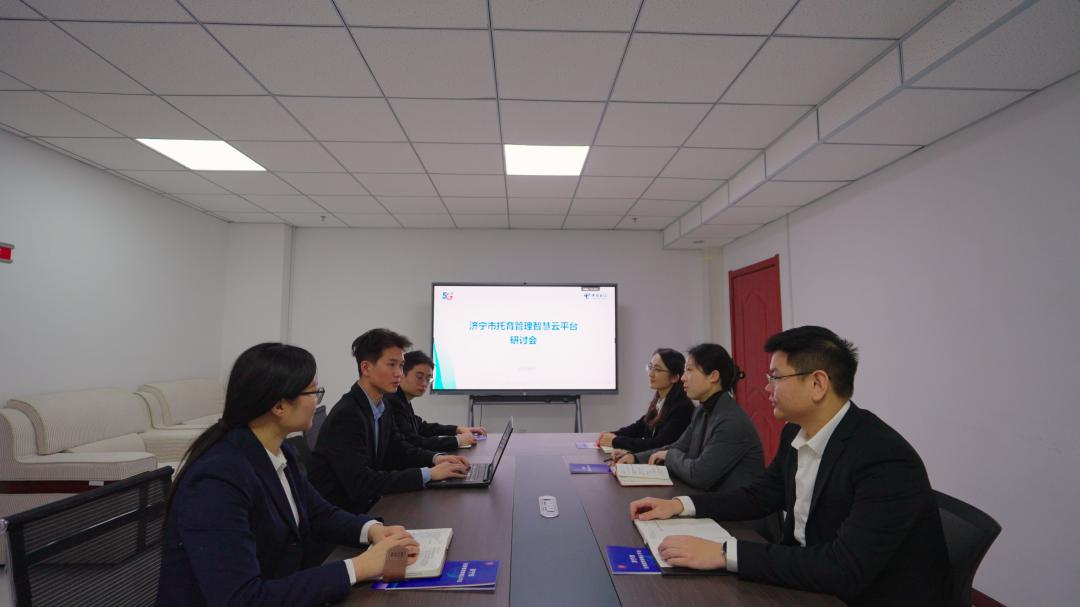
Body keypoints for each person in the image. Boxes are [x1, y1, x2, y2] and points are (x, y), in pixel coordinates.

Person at [628, 326, 950, 606]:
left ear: (818, 384)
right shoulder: (795, 432)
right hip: (808, 582)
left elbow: (844, 568)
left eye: (776, 377)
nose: (767, 388)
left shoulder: (884, 458)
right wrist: (680, 505)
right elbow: (759, 496)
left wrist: (724, 553)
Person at [158, 343, 420, 607]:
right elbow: (243, 599)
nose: (317, 401)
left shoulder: (278, 450)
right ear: (280, 406)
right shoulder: (216, 480)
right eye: (313, 391)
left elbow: (318, 512)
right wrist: (359, 567)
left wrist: (373, 530)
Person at [308, 329, 469, 514]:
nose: (398, 373)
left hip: (370, 505)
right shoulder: (347, 415)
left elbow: (398, 450)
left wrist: (437, 458)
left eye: (401, 366)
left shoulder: (382, 405)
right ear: (366, 368)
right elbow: (361, 483)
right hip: (344, 515)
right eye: (392, 365)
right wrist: (428, 474)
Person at [612, 343, 763, 493]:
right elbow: (679, 446)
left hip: (732, 507)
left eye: (689, 370)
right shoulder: (701, 411)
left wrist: (670, 456)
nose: (683, 378)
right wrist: (635, 458)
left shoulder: (731, 421)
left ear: (713, 376)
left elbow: (700, 475)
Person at [387, 350, 486, 451]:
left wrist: (457, 429)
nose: (424, 383)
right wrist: (457, 440)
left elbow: (421, 427)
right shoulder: (393, 401)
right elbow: (414, 442)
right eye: (419, 377)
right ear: (401, 374)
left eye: (428, 379)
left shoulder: (402, 399)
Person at [596, 348, 692, 453]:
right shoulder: (660, 401)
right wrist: (612, 434)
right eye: (650, 367)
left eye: (657, 369)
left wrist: (616, 440)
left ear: (675, 377)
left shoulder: (682, 409)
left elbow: (658, 444)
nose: (650, 374)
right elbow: (639, 427)